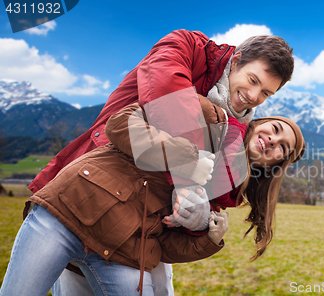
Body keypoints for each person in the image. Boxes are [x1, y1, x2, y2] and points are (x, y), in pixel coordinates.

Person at [26, 29, 294, 296]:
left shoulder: (234, 134)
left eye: (266, 93)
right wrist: (188, 173)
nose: (254, 95)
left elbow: (186, 210)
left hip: (138, 226)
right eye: (252, 80)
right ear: (235, 61)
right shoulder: (188, 47)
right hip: (90, 191)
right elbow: (164, 96)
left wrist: (203, 226)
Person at [0, 96, 305, 296]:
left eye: (282, 149)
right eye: (275, 128)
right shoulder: (210, 117)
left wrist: (205, 237)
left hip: (120, 252)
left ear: (273, 164)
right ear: (259, 122)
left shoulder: (226, 193)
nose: (273, 141)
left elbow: (163, 243)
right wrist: (185, 157)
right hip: (68, 213)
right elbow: (121, 122)